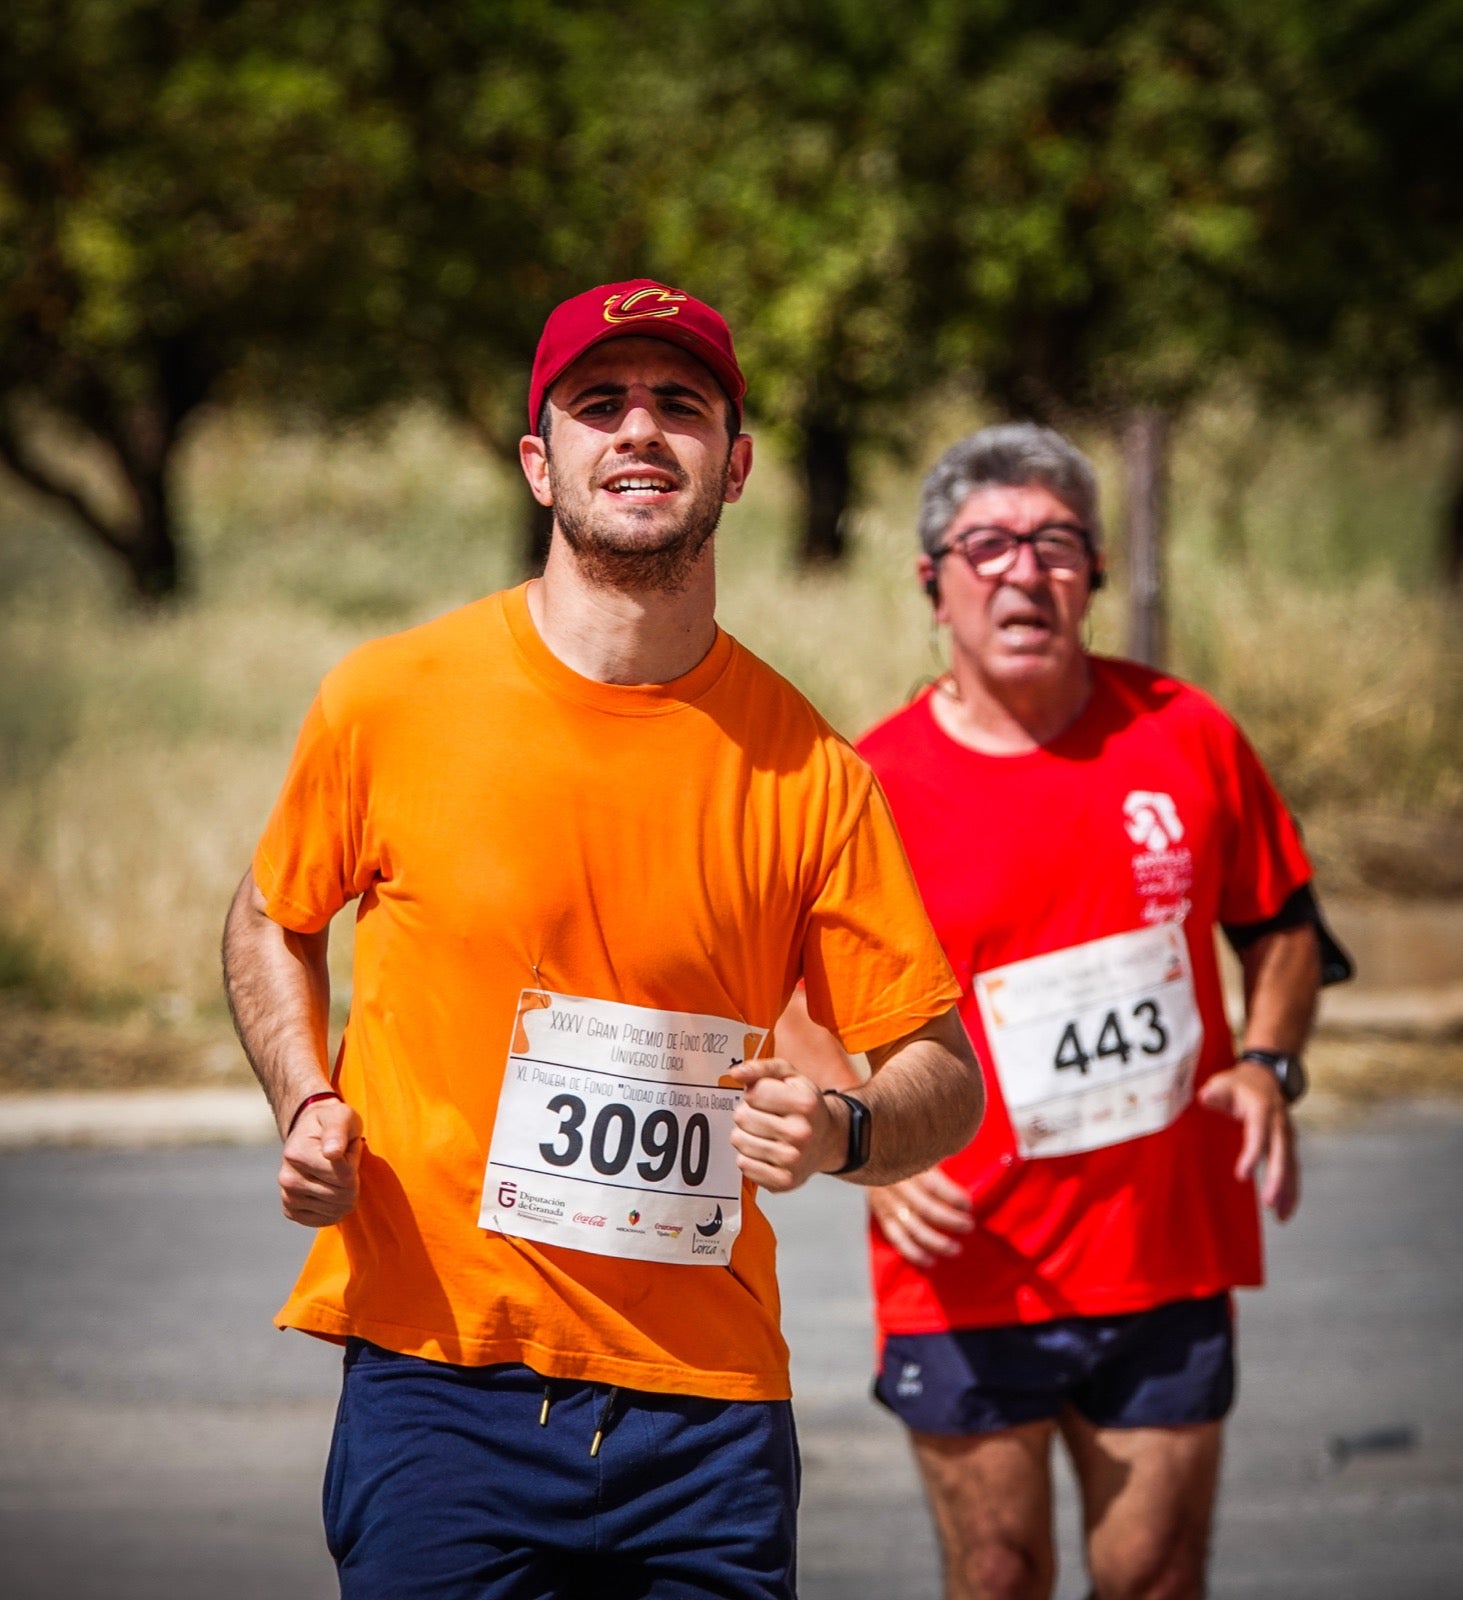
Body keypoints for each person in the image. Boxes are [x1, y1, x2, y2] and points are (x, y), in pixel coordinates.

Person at [220, 278, 983, 1600]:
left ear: (733, 465)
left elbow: (939, 1073)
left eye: (679, 406)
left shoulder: (810, 771)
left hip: (704, 1417)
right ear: (539, 461)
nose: (639, 430)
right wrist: (305, 1097)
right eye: (598, 404)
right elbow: (271, 915)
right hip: (440, 1377)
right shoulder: (387, 701)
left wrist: (844, 1130)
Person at [780, 423, 1347, 1600]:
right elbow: (787, 994)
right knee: (997, 1574)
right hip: (965, 1258)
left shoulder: (1185, 735)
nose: (1021, 569)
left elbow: (1282, 924)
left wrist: (1268, 1064)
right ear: (931, 582)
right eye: (984, 544)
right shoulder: (868, 783)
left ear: (1092, 574)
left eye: (1053, 542)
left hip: (1165, 1249)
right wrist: (872, 1151)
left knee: (1153, 1574)